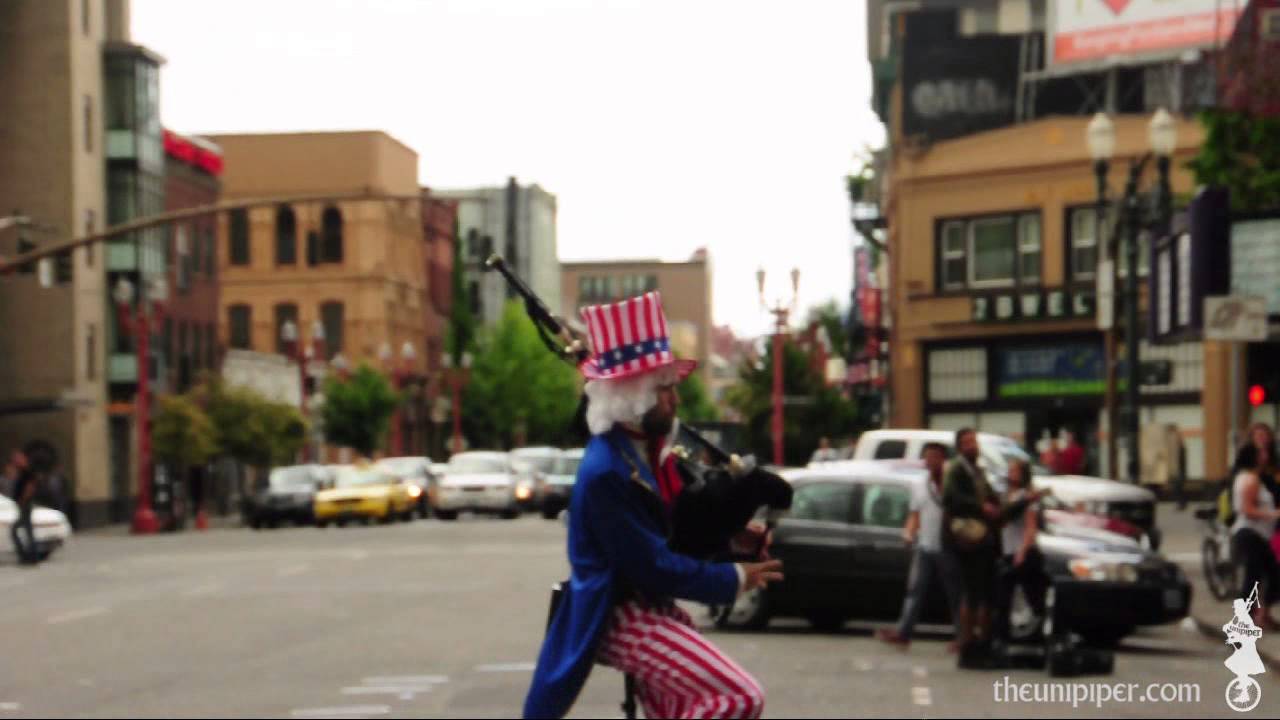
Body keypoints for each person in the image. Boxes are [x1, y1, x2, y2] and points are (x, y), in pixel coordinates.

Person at [523, 291, 781, 720]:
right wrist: (732, 577)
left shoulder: (643, 451)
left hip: (648, 605)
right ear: (631, 397)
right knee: (740, 696)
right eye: (664, 390)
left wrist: (731, 540)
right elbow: (652, 565)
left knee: (683, 706)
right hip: (618, 615)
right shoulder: (608, 470)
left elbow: (674, 528)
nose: (675, 401)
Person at [876, 442, 961, 651]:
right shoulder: (920, 485)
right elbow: (915, 514)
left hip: (948, 546)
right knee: (915, 590)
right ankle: (904, 633)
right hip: (925, 545)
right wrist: (909, 533)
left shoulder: (952, 484)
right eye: (927, 457)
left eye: (934, 456)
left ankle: (962, 635)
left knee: (955, 593)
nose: (930, 461)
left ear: (943, 459)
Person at [942, 427, 1001, 666]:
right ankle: (967, 644)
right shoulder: (956, 469)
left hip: (984, 537)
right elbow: (951, 499)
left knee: (984, 593)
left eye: (974, 441)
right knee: (972, 592)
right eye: (967, 442)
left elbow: (990, 495)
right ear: (959, 447)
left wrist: (997, 504)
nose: (972, 446)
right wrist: (980, 507)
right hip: (968, 539)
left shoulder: (977, 470)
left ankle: (982, 643)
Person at [994, 459, 1049, 644]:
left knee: (1032, 595)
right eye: (1010, 470)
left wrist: (1022, 551)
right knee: (1004, 597)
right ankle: (1003, 636)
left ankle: (1038, 633)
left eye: (1015, 471)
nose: (1011, 474)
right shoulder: (1006, 497)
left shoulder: (1027, 497)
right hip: (1008, 551)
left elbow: (1030, 528)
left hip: (1023, 552)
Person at [1230, 443, 1280, 630]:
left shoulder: (1249, 477)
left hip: (1256, 534)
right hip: (1251, 533)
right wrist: (1274, 514)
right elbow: (1247, 509)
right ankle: (1246, 619)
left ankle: (1258, 615)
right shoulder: (1251, 479)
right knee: (1256, 576)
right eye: (1261, 453)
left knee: (1264, 573)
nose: (1265, 455)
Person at [8, 450, 41, 566]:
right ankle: (30, 557)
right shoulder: (21, 471)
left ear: (23, 459)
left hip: (25, 505)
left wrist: (23, 500)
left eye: (17, 459)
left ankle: (29, 557)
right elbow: (11, 479)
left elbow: (30, 486)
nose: (15, 461)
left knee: (19, 531)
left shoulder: (28, 471)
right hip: (22, 504)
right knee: (27, 531)